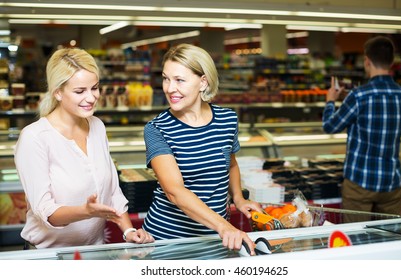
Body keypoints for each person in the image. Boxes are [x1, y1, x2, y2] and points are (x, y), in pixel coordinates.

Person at [14, 48, 154, 249]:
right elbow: (46, 212)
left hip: (93, 250)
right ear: (58, 92)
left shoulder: (97, 126)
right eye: (80, 91)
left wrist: (129, 231)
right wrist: (85, 211)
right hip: (47, 256)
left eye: (94, 88)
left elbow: (113, 191)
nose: (91, 98)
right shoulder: (34, 137)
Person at [142, 43, 263, 255]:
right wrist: (224, 226)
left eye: (179, 80)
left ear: (203, 82)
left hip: (215, 239)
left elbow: (231, 164)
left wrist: (239, 198)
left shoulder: (227, 119)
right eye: (166, 78)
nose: (170, 88)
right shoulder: (156, 129)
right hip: (168, 241)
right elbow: (174, 191)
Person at [322, 36, 401, 222]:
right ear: (392, 61)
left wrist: (331, 100)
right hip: (391, 182)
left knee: (356, 238)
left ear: (367, 61)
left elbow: (330, 126)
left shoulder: (358, 96)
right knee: (389, 237)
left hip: (359, 181)